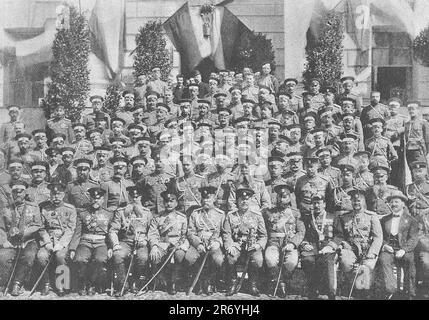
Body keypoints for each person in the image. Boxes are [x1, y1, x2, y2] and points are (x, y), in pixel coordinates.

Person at [334, 188, 383, 297]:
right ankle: (350, 289)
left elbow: (378, 237)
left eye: (359, 200)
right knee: (346, 262)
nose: (356, 203)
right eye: (354, 201)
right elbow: (340, 235)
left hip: (367, 249)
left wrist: (372, 253)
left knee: (366, 267)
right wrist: (343, 244)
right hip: (351, 248)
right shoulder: (344, 217)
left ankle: (363, 294)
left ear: (364, 201)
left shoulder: (371, 216)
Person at [68, 187, 114, 296]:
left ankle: (92, 283)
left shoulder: (109, 214)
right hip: (85, 242)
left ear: (102, 199)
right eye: (93, 198)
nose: (95, 201)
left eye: (98, 199)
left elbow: (110, 232)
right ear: (90, 199)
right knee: (80, 259)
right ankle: (83, 283)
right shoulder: (83, 213)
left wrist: (111, 247)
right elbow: (77, 232)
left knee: (101, 259)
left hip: (101, 242)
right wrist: (73, 248)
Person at [0, 180, 42, 296]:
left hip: (29, 240)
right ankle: (5, 282)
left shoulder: (33, 207)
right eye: (15, 192)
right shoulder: (6, 209)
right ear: (12, 193)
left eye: (21, 192)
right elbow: (1, 227)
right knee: (3, 256)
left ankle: (18, 283)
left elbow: (37, 225)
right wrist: (4, 242)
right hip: (11, 241)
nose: (18, 194)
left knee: (29, 256)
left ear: (25, 193)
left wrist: (24, 233)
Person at [223, 188, 267, 296]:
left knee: (257, 260)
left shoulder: (257, 215)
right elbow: (226, 234)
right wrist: (230, 245)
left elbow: (263, 235)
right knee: (230, 257)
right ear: (237, 201)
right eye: (241, 199)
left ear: (250, 200)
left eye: (247, 199)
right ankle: (233, 283)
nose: (244, 202)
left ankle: (252, 284)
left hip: (252, 245)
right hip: (236, 244)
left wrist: (258, 245)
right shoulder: (231, 215)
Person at [109, 186, 153, 296]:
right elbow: (113, 230)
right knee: (118, 255)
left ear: (141, 197)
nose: (134, 199)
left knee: (143, 257)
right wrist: (115, 244)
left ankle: (137, 283)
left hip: (141, 242)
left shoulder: (147, 213)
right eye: (132, 196)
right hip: (125, 241)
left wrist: (145, 240)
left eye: (137, 196)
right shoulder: (121, 212)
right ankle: (122, 285)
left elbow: (152, 231)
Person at [264, 184, 305, 297]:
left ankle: (283, 281)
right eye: (280, 197)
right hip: (274, 242)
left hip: (289, 243)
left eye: (285, 197)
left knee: (292, 261)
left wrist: (293, 244)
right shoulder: (269, 212)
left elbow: (301, 231)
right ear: (276, 197)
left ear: (289, 198)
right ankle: (279, 282)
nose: (282, 199)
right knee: (270, 259)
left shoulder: (295, 213)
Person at [377, 190, 419, 299]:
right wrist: (384, 245)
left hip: (404, 249)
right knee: (384, 259)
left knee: (409, 260)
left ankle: (410, 291)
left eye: (396, 202)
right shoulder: (384, 219)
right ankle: (391, 290)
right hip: (389, 248)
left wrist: (404, 250)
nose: (393, 204)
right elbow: (380, 236)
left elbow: (413, 238)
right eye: (391, 202)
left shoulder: (411, 220)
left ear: (403, 204)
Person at [37, 182, 77, 296]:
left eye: (59, 194)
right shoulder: (44, 209)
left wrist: (61, 244)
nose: (56, 197)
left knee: (60, 256)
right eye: (53, 194)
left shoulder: (70, 209)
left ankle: (62, 284)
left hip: (63, 239)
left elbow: (70, 229)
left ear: (64, 194)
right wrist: (47, 242)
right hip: (48, 238)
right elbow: (41, 227)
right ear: (50, 194)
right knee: (41, 256)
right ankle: (46, 284)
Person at [148, 187, 189, 295]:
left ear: (176, 203)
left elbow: (184, 234)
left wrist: (180, 243)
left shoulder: (182, 217)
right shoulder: (158, 217)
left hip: (177, 242)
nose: (169, 204)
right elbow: (152, 234)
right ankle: (159, 279)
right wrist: (154, 246)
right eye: (166, 201)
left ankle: (173, 281)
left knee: (179, 255)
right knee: (155, 256)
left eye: (172, 201)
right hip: (163, 242)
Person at [185, 186, 225, 295]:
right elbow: (190, 232)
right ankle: (198, 282)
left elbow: (225, 233)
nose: (206, 200)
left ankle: (210, 281)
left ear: (214, 199)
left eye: (209, 198)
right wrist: (198, 244)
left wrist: (217, 242)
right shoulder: (195, 213)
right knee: (189, 258)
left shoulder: (221, 214)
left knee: (218, 260)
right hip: (198, 243)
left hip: (214, 244)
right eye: (204, 198)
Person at [300, 194, 337, 300]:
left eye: (319, 203)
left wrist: (331, 246)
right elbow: (303, 234)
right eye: (314, 203)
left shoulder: (332, 217)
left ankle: (329, 292)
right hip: (313, 247)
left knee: (327, 261)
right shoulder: (307, 218)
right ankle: (312, 289)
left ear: (324, 204)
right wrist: (305, 244)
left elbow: (339, 235)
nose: (316, 205)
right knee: (307, 259)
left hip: (328, 247)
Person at [403, 101, 429, 168]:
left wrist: (425, 152)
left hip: (419, 150)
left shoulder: (423, 123)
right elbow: (406, 138)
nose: (411, 111)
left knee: (420, 171)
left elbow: (427, 139)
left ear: (418, 110)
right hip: (409, 150)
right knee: (412, 170)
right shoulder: (406, 124)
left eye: (413, 109)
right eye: (409, 109)